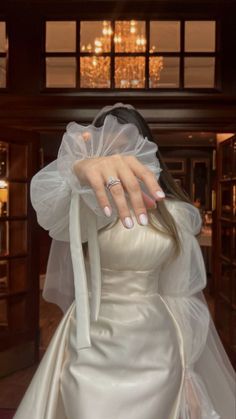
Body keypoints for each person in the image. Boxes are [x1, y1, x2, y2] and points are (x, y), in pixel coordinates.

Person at [14, 103, 235, 419]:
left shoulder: (177, 216)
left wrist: (188, 371)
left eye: (128, 149)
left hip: (157, 341)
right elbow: (50, 203)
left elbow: (180, 295)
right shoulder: (84, 204)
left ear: (147, 152)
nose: (114, 164)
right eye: (107, 152)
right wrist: (76, 172)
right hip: (92, 336)